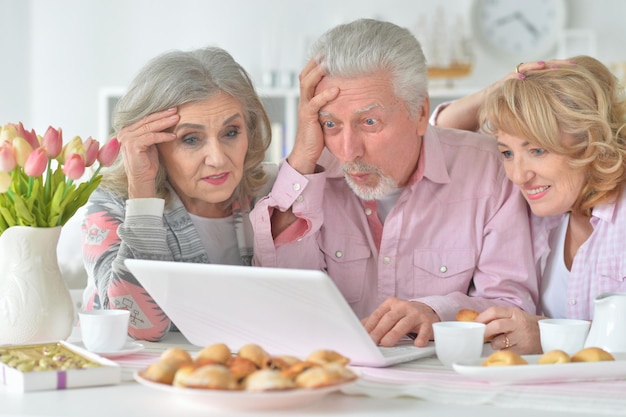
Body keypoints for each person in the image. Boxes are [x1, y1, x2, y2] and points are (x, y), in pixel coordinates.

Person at [250, 19, 539, 348]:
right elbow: (282, 300)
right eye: (330, 123)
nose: (348, 151)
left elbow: (511, 305)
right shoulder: (305, 179)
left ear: (420, 113)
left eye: (369, 122)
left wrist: (436, 312)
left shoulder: (490, 169)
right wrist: (302, 155)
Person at [432, 56, 626, 353]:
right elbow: (437, 139)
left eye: (537, 150)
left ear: (591, 140)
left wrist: (550, 339)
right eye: (507, 153)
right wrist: (497, 90)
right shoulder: (543, 215)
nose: (519, 176)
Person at [81, 46, 276, 341]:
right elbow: (138, 327)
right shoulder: (110, 205)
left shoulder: (271, 192)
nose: (218, 159)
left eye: (231, 132)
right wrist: (143, 195)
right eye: (191, 139)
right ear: (150, 145)